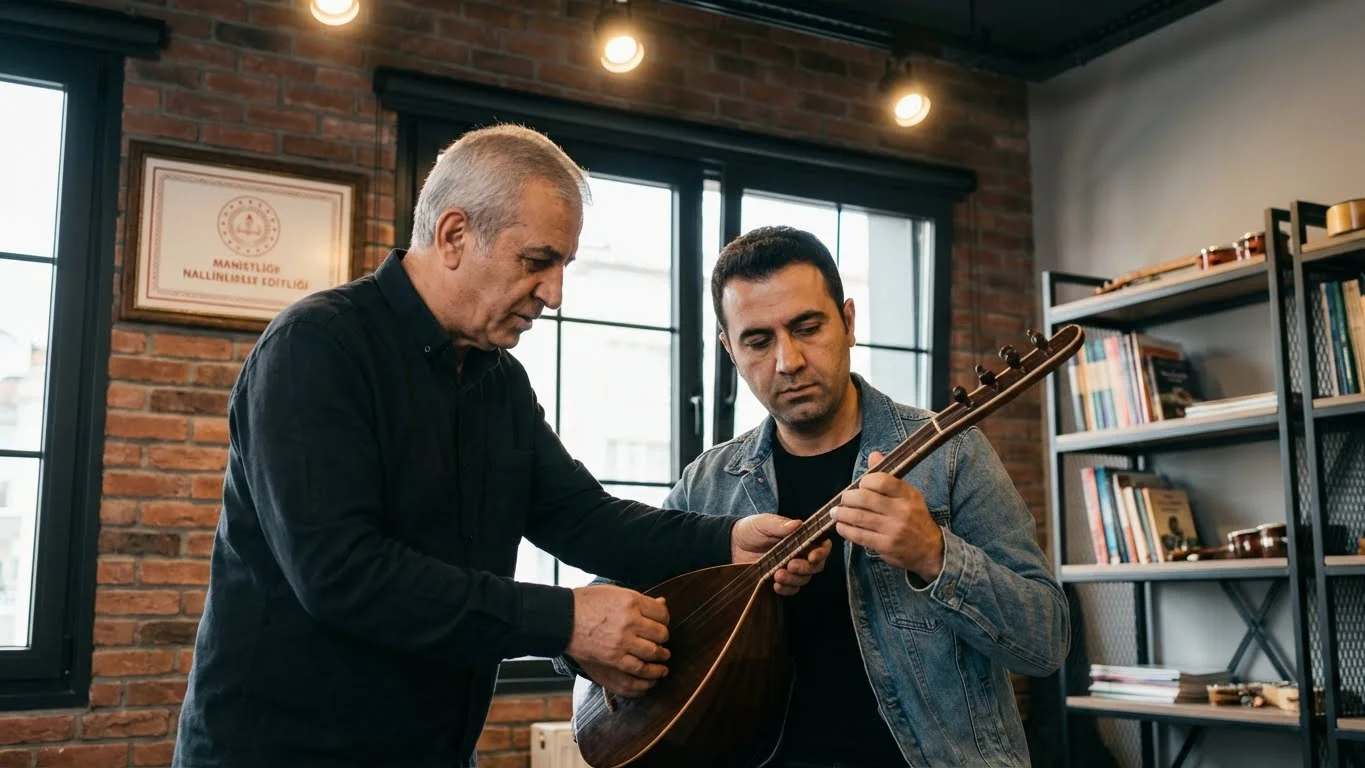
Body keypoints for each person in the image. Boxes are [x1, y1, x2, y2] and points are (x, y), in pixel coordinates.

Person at [172, 127, 830, 768]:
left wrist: (725, 541)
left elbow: (579, 517)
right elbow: (341, 573)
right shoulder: (317, 346)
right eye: (537, 261)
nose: (554, 293)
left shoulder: (497, 380)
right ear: (454, 235)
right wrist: (564, 619)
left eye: (563, 267)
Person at [561, 226, 1069, 767]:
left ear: (848, 322)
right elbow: (599, 609)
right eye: (758, 340)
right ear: (729, 348)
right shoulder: (710, 482)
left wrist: (934, 554)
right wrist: (577, 643)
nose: (789, 361)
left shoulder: (951, 454)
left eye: (807, 327)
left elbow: (1045, 641)